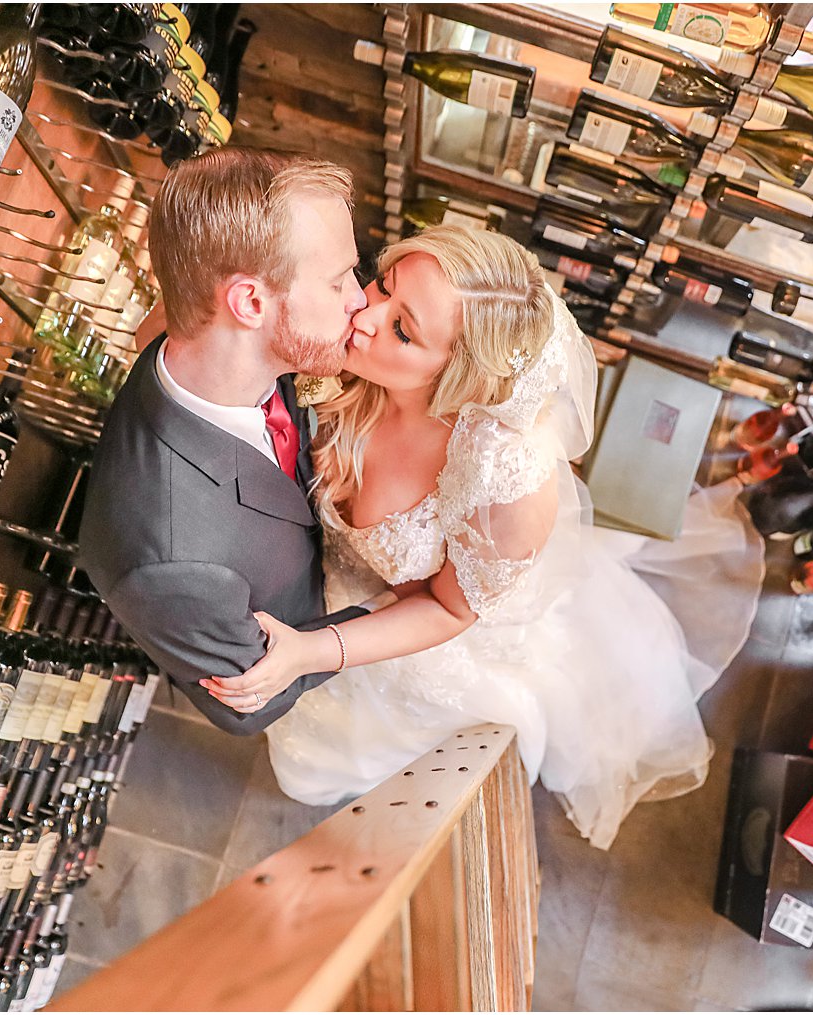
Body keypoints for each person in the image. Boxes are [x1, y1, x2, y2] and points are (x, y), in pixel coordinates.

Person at [205, 225, 765, 849]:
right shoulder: (353, 346)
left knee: (333, 747)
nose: (364, 314)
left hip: (409, 633)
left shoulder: (505, 483)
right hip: (307, 569)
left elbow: (449, 607)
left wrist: (312, 652)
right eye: (384, 286)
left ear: (459, 377)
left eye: (403, 330)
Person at [77, 147, 374, 735]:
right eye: (339, 280)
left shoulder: (194, 337)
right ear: (251, 303)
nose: (360, 299)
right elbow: (251, 707)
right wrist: (380, 615)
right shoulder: (171, 561)